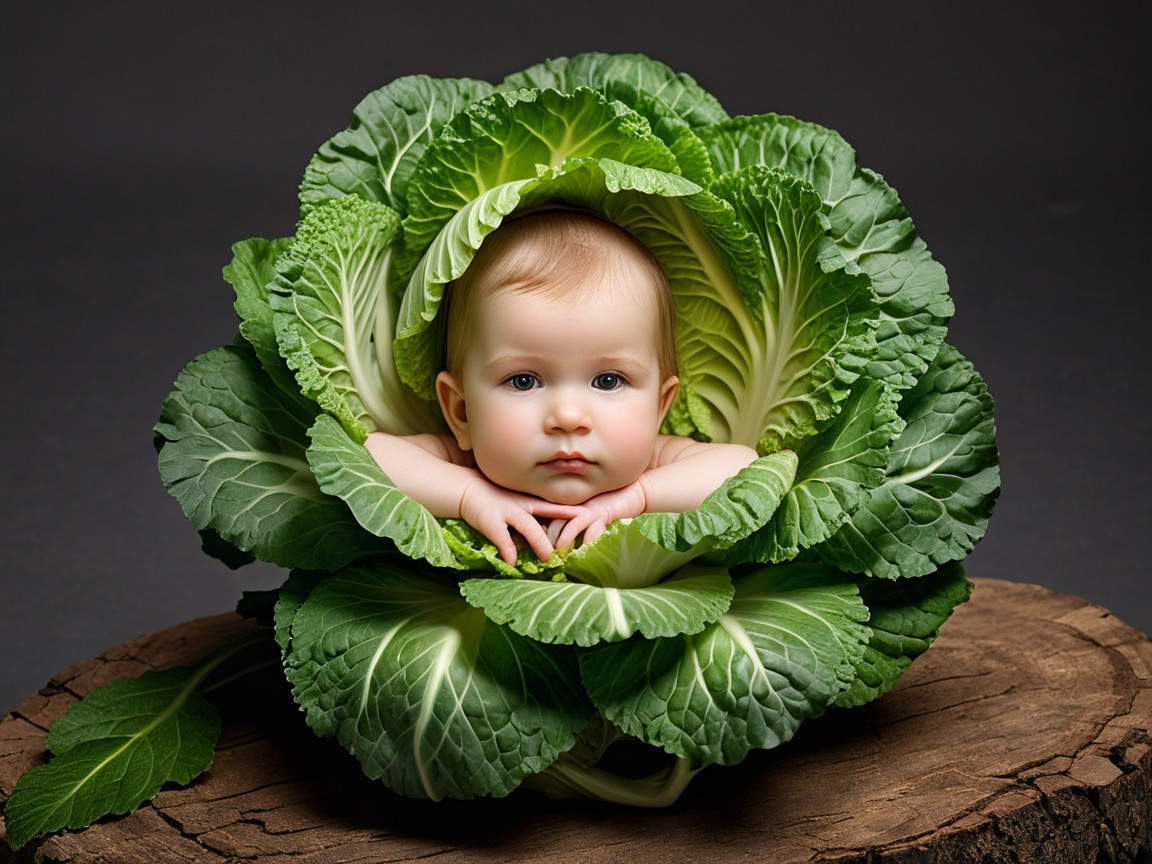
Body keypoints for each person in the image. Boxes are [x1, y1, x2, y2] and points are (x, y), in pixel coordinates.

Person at [366, 210, 758, 566]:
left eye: (608, 380)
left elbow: (744, 468)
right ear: (461, 412)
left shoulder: (654, 463)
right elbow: (369, 456)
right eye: (523, 381)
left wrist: (638, 499)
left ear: (660, 408)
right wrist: (469, 497)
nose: (568, 417)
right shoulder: (467, 466)